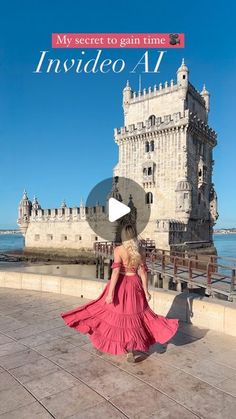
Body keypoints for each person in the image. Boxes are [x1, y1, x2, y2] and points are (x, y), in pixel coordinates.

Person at [60, 224, 179, 363]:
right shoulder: (140, 249)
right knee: (137, 317)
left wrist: (110, 293)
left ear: (123, 236)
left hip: (121, 285)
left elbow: (116, 272)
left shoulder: (119, 250)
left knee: (116, 316)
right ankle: (131, 348)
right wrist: (146, 291)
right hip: (135, 285)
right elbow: (143, 272)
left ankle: (127, 347)